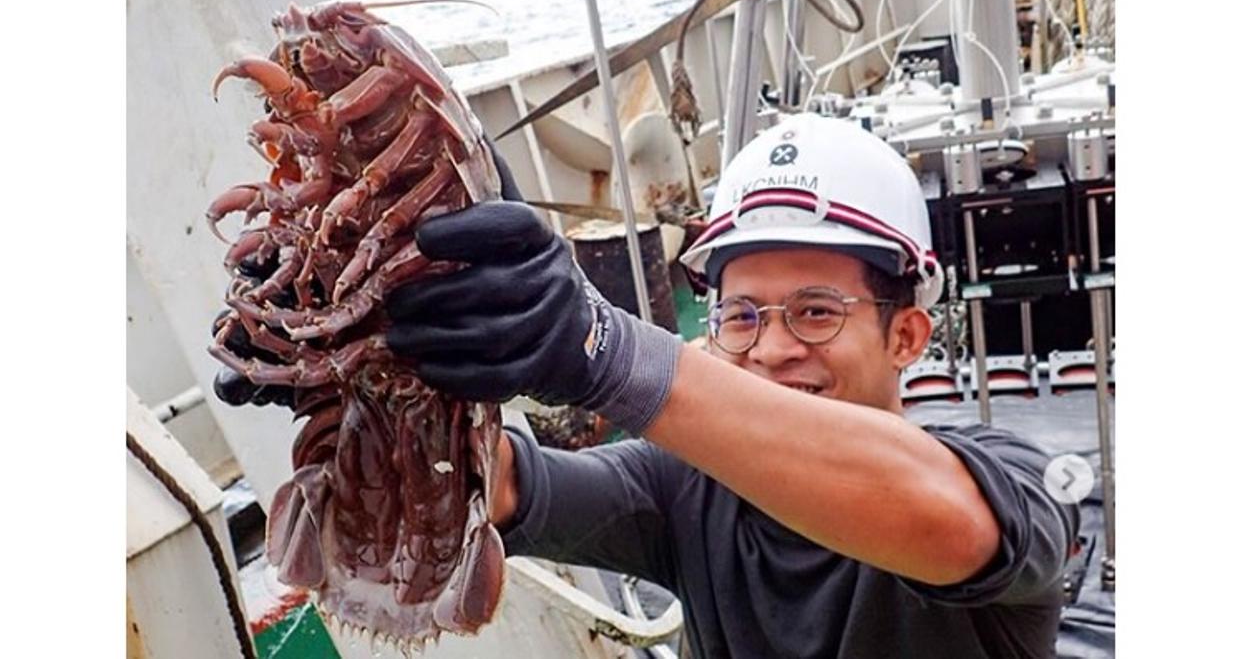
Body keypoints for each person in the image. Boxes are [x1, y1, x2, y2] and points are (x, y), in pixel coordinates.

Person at [221, 114, 1078, 658]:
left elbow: (946, 521)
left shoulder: (1010, 481)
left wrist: (604, 352)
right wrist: (358, 359)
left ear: (907, 334)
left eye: (816, 313)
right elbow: (506, 484)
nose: (773, 350)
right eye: (742, 317)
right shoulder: (682, 490)